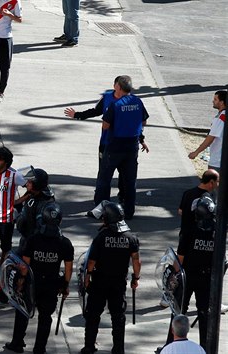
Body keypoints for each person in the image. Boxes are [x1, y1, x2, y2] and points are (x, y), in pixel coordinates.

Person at [5, 202, 73, 354]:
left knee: (22, 311)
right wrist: (65, 285)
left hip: (32, 283)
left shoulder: (33, 239)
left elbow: (25, 266)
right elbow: (68, 267)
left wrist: (21, 282)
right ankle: (39, 348)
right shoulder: (65, 243)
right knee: (45, 317)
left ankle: (17, 343)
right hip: (51, 284)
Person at [80, 201, 141, 354]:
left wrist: (87, 276)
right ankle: (118, 348)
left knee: (93, 314)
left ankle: (89, 346)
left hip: (99, 282)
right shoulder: (130, 238)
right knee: (118, 317)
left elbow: (91, 261)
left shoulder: (101, 237)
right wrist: (136, 278)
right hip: (119, 283)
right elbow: (136, 260)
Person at [159, 195, 216, 351]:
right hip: (207, 277)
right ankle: (206, 346)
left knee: (178, 311)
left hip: (187, 277)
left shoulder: (189, 230)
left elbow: (180, 259)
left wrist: (171, 279)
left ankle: (171, 344)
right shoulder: (217, 231)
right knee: (204, 312)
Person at [93, 75, 149, 219]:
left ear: (118, 87)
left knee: (104, 179)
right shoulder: (138, 101)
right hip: (132, 146)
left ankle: (101, 210)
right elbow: (144, 122)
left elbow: (106, 125)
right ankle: (129, 211)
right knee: (130, 181)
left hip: (114, 146)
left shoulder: (116, 104)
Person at [188, 90, 226, 171]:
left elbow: (210, 138)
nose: (213, 101)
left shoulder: (220, 118)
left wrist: (196, 152)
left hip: (217, 160)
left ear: (222, 102)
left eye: (215, 99)